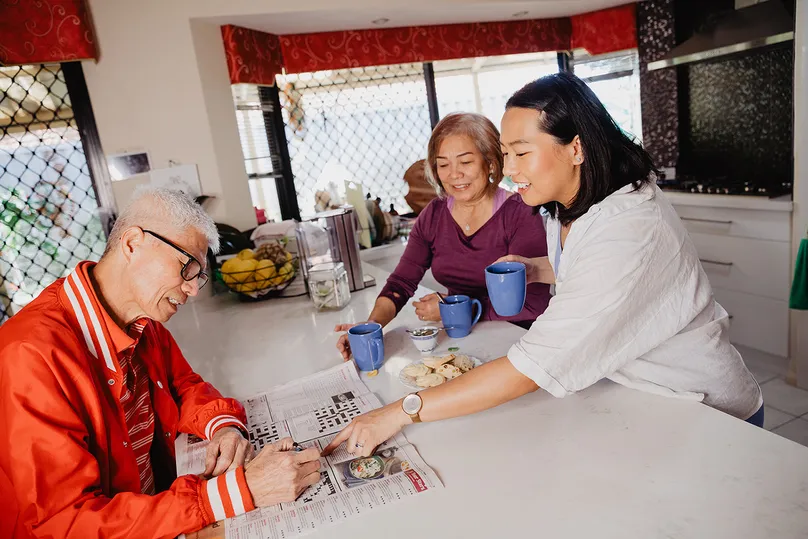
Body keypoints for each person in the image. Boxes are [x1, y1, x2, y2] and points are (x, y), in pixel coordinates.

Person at [324, 72, 764, 458]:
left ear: (575, 148)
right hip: (642, 397)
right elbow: (586, 269)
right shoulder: (564, 203)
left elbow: (531, 367)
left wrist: (401, 412)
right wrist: (536, 269)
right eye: (506, 153)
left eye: (521, 153)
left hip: (708, 411)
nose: (510, 170)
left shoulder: (629, 227)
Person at [0, 187, 321, 538]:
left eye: (198, 275)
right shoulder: (29, 355)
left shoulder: (143, 321)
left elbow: (183, 385)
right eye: (187, 267)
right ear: (133, 243)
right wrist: (233, 493)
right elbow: (64, 523)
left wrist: (223, 427)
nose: (194, 290)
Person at [335, 112, 552, 359]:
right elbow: (401, 283)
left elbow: (534, 303)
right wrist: (371, 327)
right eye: (443, 164)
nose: (453, 174)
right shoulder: (434, 215)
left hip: (519, 341)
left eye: (465, 162)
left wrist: (455, 310)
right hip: (461, 340)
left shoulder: (520, 213)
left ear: (491, 163)